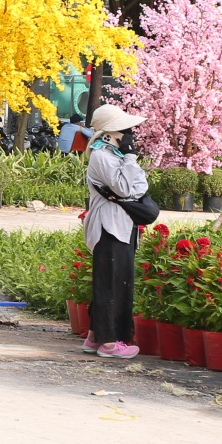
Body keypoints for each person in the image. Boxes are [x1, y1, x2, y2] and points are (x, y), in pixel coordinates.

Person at [83, 104, 148, 358]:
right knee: (110, 284)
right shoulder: (102, 156)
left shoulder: (115, 155)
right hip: (108, 227)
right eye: (125, 129)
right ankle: (109, 343)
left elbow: (140, 186)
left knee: (117, 280)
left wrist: (128, 164)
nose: (130, 133)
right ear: (111, 132)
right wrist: (130, 158)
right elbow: (124, 188)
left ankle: (93, 336)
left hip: (121, 225)